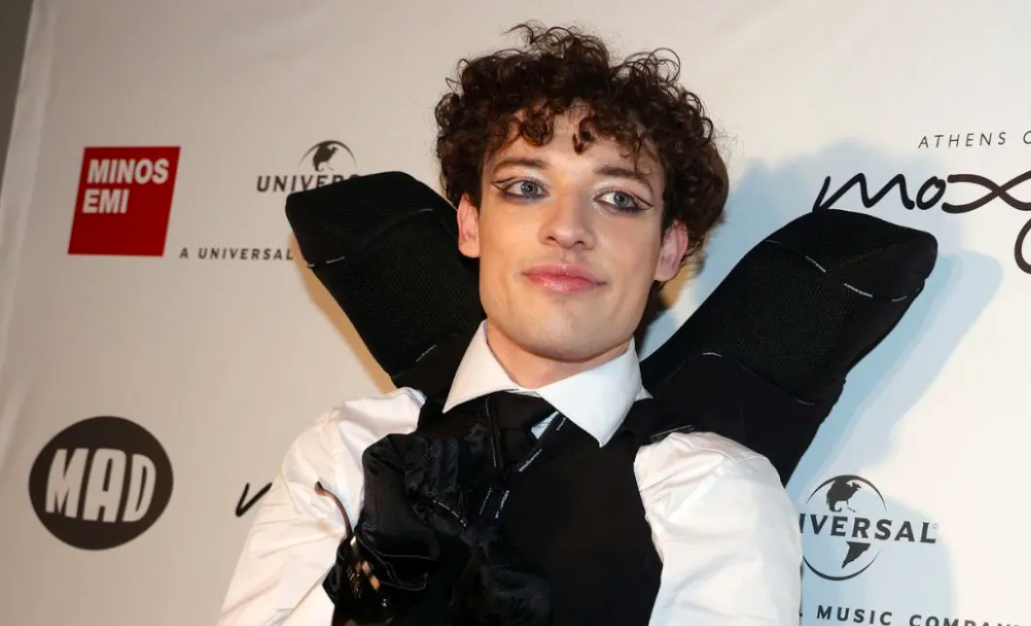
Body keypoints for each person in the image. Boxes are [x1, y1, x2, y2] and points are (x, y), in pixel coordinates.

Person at [218, 22, 802, 626]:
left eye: (618, 199)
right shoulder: (347, 448)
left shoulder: (712, 492)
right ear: (470, 224)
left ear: (668, 250)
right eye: (526, 187)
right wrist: (372, 586)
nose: (567, 228)